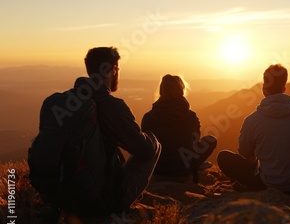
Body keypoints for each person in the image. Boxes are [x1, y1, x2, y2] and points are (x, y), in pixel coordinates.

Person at [42, 47, 161, 215]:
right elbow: (143, 149)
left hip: (61, 196)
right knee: (154, 145)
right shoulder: (112, 105)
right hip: (99, 202)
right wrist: (150, 137)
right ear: (112, 70)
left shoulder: (66, 101)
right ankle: (121, 201)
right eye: (117, 69)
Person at [217, 64, 290, 195]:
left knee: (223, 157)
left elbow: (244, 153)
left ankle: (253, 187)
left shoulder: (252, 120)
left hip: (270, 184)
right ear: (284, 88)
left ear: (264, 88)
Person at [141, 74, 217, 180]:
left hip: (157, 169)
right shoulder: (191, 117)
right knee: (211, 140)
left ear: (161, 91)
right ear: (181, 91)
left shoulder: (148, 117)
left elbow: (145, 147)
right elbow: (195, 144)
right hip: (182, 168)